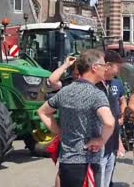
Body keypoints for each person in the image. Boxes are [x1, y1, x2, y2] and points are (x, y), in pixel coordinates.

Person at [38, 49, 115, 187]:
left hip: (67, 161)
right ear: (94, 67)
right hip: (89, 161)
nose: (106, 68)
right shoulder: (96, 94)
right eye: (104, 65)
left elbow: (43, 111)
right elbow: (109, 122)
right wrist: (101, 140)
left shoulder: (65, 91)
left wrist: (60, 132)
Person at [47, 56, 78, 187]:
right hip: (68, 132)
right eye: (75, 71)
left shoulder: (92, 84)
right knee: (63, 169)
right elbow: (52, 80)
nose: (77, 74)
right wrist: (65, 65)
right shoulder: (68, 83)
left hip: (85, 132)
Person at [97, 51, 126, 187]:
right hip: (100, 136)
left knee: (109, 169)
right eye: (117, 67)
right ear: (107, 66)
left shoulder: (117, 83)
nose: (117, 71)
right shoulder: (96, 84)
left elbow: (122, 101)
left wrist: (122, 115)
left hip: (113, 137)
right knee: (99, 172)